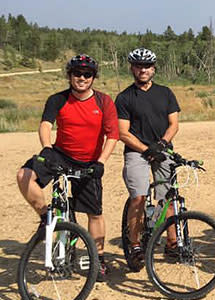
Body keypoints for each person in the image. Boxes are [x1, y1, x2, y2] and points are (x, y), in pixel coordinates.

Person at [16, 54, 119, 281]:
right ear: (69, 76)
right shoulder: (57, 99)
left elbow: (113, 135)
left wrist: (101, 162)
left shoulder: (104, 101)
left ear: (93, 77)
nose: (82, 78)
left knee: (94, 213)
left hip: (90, 162)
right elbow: (45, 124)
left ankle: (98, 258)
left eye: (87, 74)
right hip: (60, 156)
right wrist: (47, 148)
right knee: (24, 175)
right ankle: (46, 217)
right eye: (77, 73)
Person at [116, 48, 182, 271]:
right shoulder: (125, 97)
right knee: (139, 197)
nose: (143, 70)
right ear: (132, 68)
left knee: (169, 196)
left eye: (147, 66)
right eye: (138, 66)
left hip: (162, 149)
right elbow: (123, 132)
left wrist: (161, 144)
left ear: (153, 69)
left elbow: (174, 124)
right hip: (137, 152)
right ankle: (135, 244)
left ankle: (172, 242)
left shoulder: (165, 93)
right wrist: (146, 149)